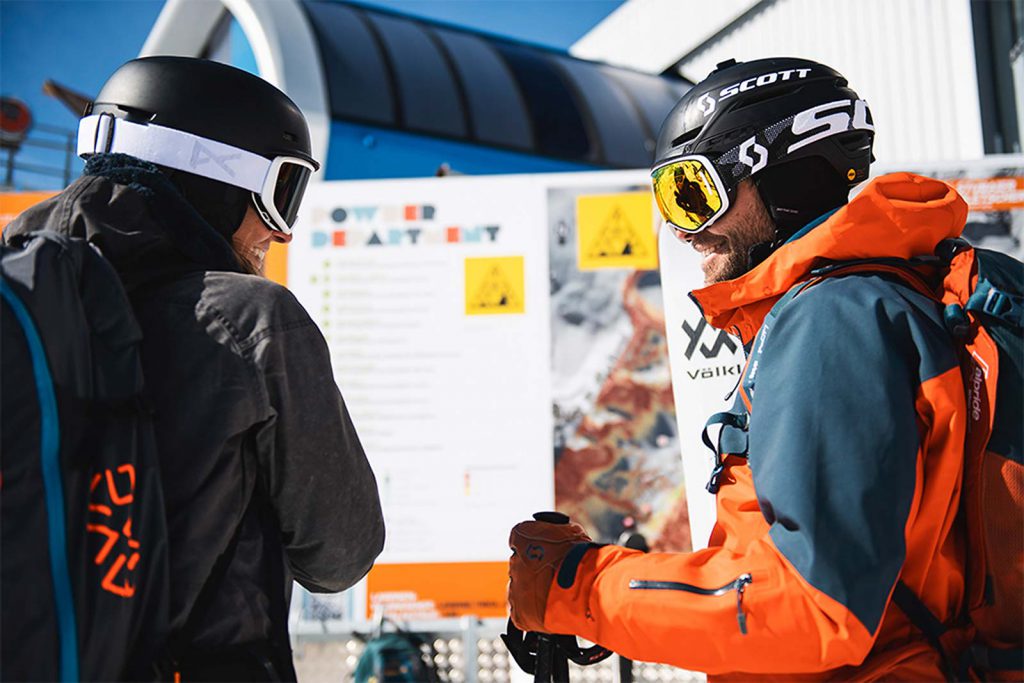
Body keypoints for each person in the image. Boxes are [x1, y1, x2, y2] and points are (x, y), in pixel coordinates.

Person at [507, 57, 972, 680]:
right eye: (669, 202)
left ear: (782, 174)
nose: (685, 234)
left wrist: (579, 586)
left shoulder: (832, 321)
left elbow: (811, 609)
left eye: (692, 194)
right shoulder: (882, 302)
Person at [4, 56, 385, 680]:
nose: (277, 232)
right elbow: (340, 554)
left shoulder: (17, 311)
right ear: (214, 176)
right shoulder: (251, 319)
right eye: (280, 192)